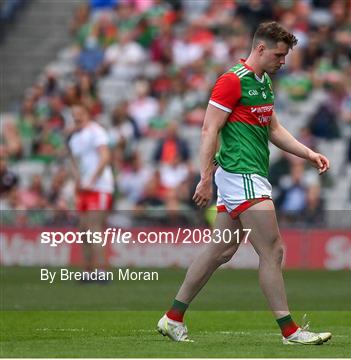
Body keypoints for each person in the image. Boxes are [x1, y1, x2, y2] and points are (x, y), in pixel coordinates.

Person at [157, 21, 332, 345]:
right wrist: (205, 177)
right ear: (260, 48)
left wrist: (308, 153)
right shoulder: (231, 81)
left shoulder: (263, 82)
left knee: (220, 250)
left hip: (247, 175)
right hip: (242, 174)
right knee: (273, 249)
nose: (283, 61)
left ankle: (173, 317)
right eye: (279, 55)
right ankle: (290, 332)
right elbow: (209, 130)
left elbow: (274, 129)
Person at [68, 104, 114, 278]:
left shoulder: (96, 131)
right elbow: (75, 163)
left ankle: (101, 271)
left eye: (79, 113)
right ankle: (87, 271)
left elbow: (104, 157)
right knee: (83, 230)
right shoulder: (74, 138)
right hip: (85, 188)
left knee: (94, 228)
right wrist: (78, 181)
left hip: (100, 186)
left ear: (87, 114)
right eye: (74, 114)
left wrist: (92, 179)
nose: (77, 117)